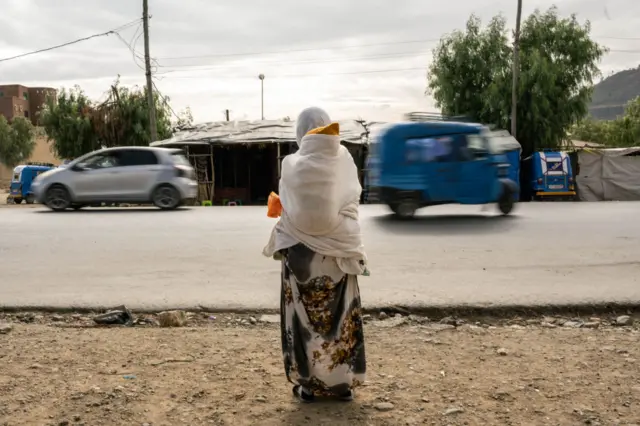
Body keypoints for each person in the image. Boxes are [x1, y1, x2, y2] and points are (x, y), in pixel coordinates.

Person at [263, 107, 368, 403]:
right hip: (339, 249)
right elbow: (350, 202)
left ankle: (308, 385)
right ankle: (343, 385)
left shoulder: (291, 164)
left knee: (302, 319)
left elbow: (290, 209)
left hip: (300, 255)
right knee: (341, 316)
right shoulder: (344, 159)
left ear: (301, 133)